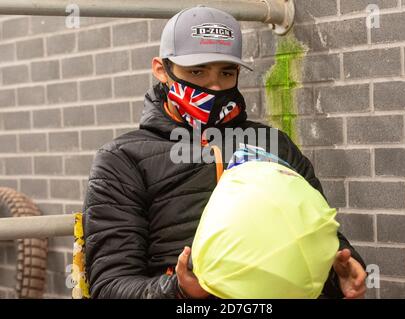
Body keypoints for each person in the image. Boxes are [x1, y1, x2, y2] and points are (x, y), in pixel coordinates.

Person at [82, 6, 367, 299]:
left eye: (226, 72)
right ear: (161, 70)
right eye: (197, 71)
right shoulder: (122, 159)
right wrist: (178, 290)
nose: (214, 86)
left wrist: (341, 272)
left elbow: (319, 232)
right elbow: (110, 286)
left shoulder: (275, 145)